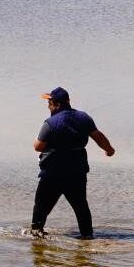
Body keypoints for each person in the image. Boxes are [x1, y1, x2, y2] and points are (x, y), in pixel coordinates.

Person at [31, 86, 115, 239]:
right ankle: (87, 236)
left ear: (57, 104)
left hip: (52, 173)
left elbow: (38, 147)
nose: (47, 106)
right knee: (81, 206)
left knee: (41, 207)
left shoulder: (50, 123)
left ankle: (36, 235)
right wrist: (109, 149)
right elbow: (98, 136)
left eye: (49, 103)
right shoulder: (84, 118)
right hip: (77, 171)